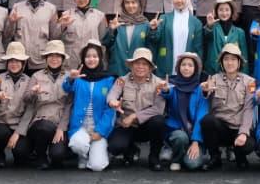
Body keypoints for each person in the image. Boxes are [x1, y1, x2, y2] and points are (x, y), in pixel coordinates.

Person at [107, 47, 168, 170]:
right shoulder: (122, 80)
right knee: (115, 147)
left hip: (147, 125)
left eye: (144, 64)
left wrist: (135, 116)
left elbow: (158, 109)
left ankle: (154, 156)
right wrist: (113, 102)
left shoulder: (159, 83)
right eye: (137, 63)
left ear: (150, 68)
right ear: (131, 65)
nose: (140, 67)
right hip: (126, 125)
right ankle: (131, 149)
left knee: (159, 121)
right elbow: (112, 95)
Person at [64, 39, 117, 172]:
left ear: (100, 58)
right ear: (83, 59)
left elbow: (110, 109)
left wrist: (100, 131)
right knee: (77, 144)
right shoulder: (78, 77)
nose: (91, 59)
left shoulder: (109, 79)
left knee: (97, 166)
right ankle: (83, 156)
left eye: (95, 56)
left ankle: (99, 151)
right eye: (88, 56)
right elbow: (66, 87)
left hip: (98, 126)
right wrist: (71, 78)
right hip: (81, 126)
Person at [200, 43, 256, 170]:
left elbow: (248, 108)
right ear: (221, 62)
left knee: (248, 145)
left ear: (239, 62)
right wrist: (204, 90)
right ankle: (215, 156)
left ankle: (240, 155)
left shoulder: (250, 82)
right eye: (226, 59)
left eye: (233, 59)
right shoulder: (214, 79)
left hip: (239, 127)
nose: (229, 63)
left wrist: (243, 133)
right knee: (207, 121)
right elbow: (206, 95)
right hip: (222, 127)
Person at [19, 39, 73, 169]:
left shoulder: (69, 77)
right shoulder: (36, 76)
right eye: (51, 56)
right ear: (46, 58)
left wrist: (61, 127)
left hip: (60, 121)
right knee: (41, 130)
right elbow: (26, 99)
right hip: (40, 121)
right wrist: (33, 92)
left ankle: (56, 152)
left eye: (58, 56)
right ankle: (40, 155)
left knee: (57, 155)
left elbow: (69, 104)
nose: (54, 59)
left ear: (62, 58)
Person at [0, 41, 33, 166]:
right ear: (7, 63)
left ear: (23, 63)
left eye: (17, 61)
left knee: (21, 153)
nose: (14, 64)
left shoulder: (29, 81)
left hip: (19, 123)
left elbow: (30, 110)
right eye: (11, 61)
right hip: (0, 121)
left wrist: (18, 133)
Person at [163, 51, 209, 171]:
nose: (186, 68)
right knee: (181, 137)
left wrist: (195, 141)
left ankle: (194, 152)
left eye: (190, 65)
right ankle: (176, 158)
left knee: (192, 164)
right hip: (177, 131)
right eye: (183, 65)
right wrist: (165, 91)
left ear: (196, 69)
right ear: (178, 67)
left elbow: (201, 116)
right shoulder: (173, 85)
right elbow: (167, 94)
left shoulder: (201, 89)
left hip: (195, 133)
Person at [6, 0, 59, 70]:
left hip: (41, 59)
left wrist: (62, 26)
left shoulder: (51, 8)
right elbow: (7, 36)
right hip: (20, 58)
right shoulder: (17, 7)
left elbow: (54, 36)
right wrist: (11, 22)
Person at [154, 0, 203, 76]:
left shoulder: (196, 22)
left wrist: (197, 70)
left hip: (187, 72)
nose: (179, 0)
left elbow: (198, 49)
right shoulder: (164, 18)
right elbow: (155, 40)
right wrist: (153, 29)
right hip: (165, 69)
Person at [57, 0, 107, 69]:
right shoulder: (66, 15)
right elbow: (56, 38)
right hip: (70, 63)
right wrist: (62, 25)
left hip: (92, 63)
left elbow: (103, 42)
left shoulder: (100, 16)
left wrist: (103, 63)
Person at [105, 0, 155, 69]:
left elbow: (151, 46)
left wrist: (153, 31)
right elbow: (106, 43)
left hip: (138, 70)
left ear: (139, 4)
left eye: (133, 2)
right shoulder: (117, 23)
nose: (130, 6)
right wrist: (111, 30)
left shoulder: (145, 24)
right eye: (127, 2)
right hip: (118, 69)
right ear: (123, 5)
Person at [204, 0, 247, 75]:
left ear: (232, 11)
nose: (224, 13)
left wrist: (244, 75)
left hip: (233, 74)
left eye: (227, 10)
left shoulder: (239, 32)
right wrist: (209, 26)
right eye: (221, 10)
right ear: (216, 12)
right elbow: (206, 37)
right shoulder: (212, 28)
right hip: (213, 72)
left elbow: (244, 56)